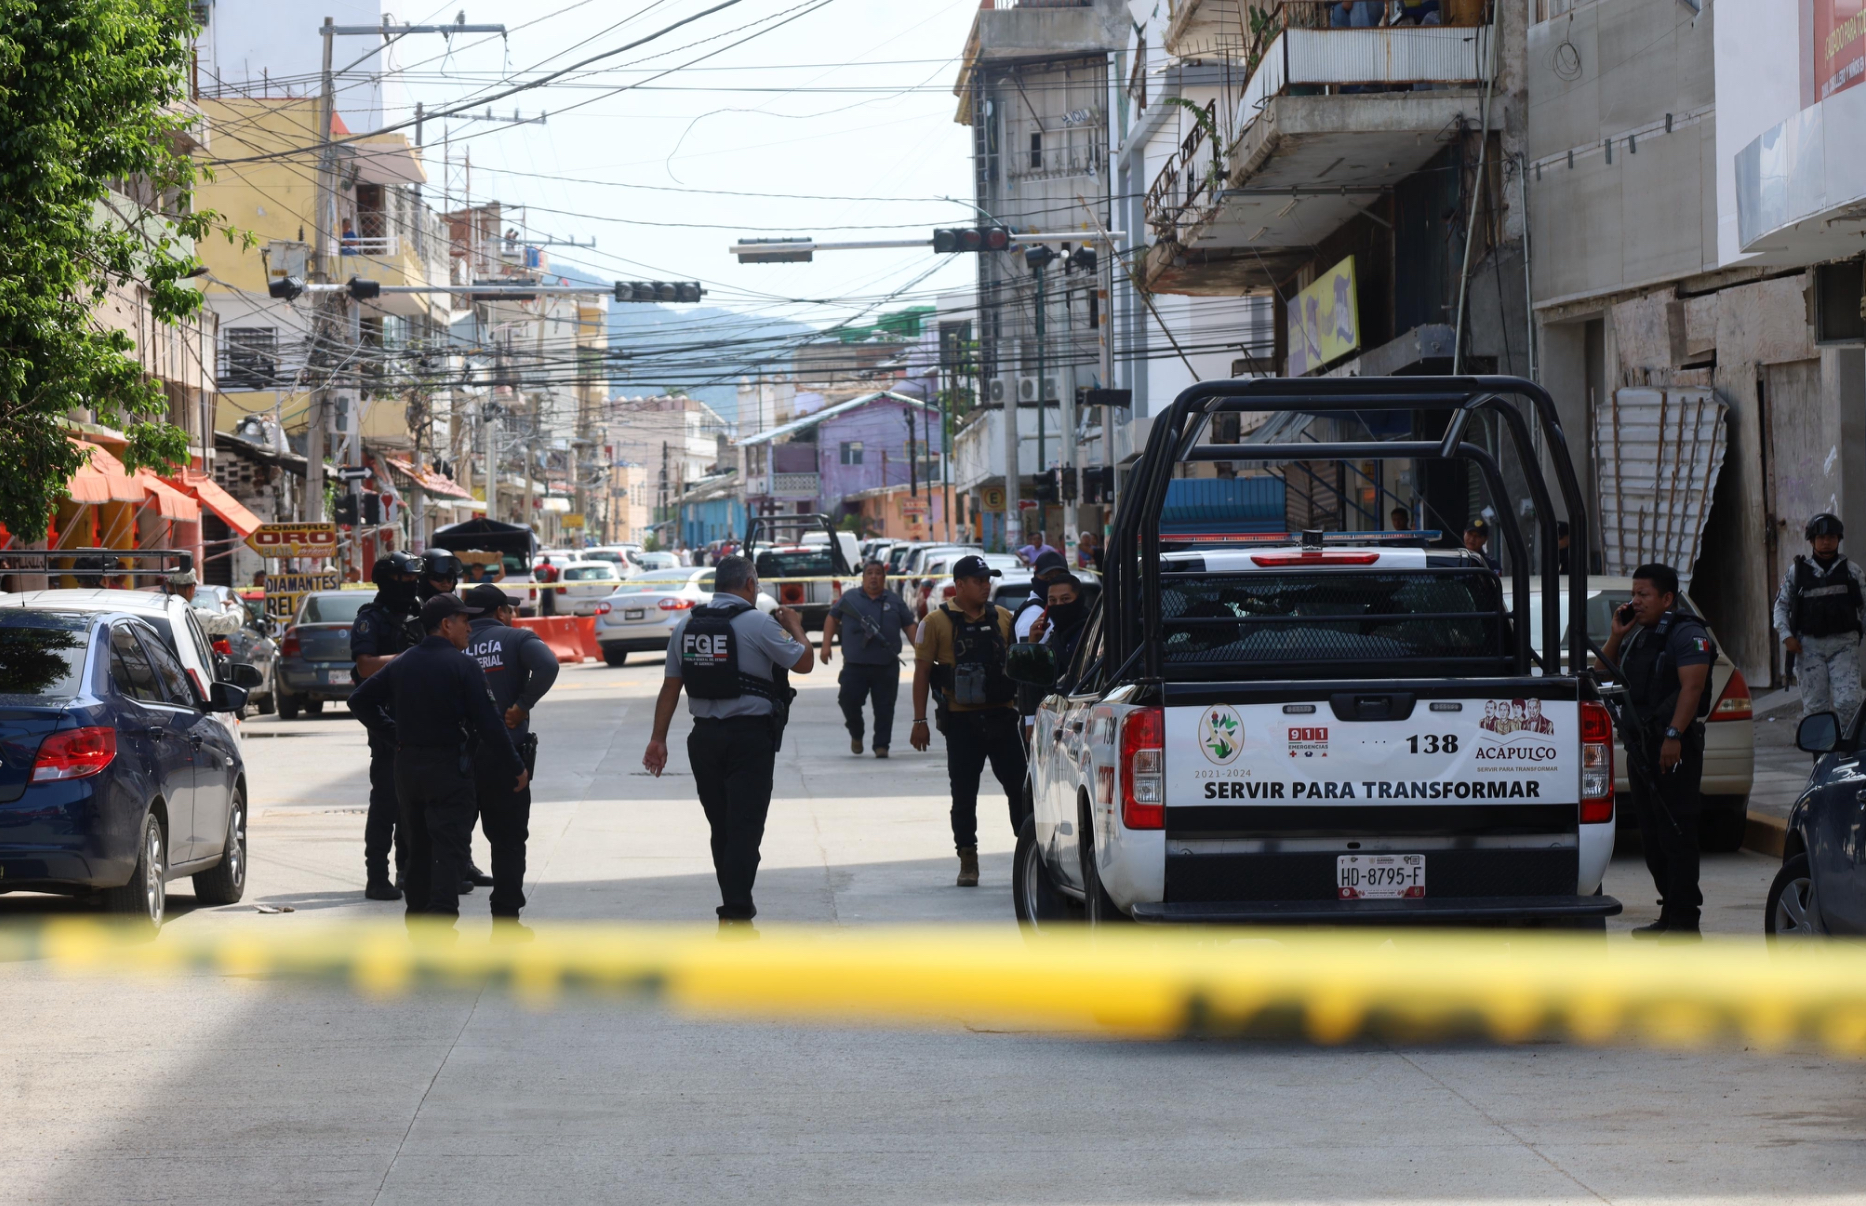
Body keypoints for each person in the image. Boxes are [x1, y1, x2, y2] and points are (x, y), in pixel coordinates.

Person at [642, 555, 814, 926]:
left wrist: (658, 739)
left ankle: (734, 904)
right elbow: (804, 662)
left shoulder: (686, 625)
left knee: (721, 826)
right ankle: (735, 911)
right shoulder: (758, 623)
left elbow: (671, 687)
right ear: (750, 584)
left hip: (702, 739)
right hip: (748, 739)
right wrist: (796, 626)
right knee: (745, 827)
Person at [346, 594, 528, 926]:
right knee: (450, 850)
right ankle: (441, 925)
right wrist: (515, 766)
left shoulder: (403, 661)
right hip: (448, 769)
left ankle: (417, 921)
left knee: (417, 848)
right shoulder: (464, 665)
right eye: (464, 621)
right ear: (446, 625)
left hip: (409, 769)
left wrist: (394, 734)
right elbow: (490, 724)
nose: (469, 628)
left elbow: (359, 700)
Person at [1600, 563, 1713, 938]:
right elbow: (1602, 674)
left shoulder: (1687, 633)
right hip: (1642, 746)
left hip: (1672, 745)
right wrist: (1616, 636)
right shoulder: (1638, 634)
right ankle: (1669, 914)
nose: (1635, 601)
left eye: (1643, 595)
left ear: (1667, 598)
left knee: (1676, 831)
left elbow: (1692, 689)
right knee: (1653, 836)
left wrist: (1672, 736)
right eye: (1633, 594)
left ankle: (1685, 922)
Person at [911, 554, 1025, 888]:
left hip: (1003, 717)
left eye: (988, 580)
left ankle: (1028, 849)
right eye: (978, 580)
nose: (986, 586)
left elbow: (1018, 667)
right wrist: (919, 719)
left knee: (1020, 788)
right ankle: (967, 858)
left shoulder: (1003, 617)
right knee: (964, 795)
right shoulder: (934, 622)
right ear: (959, 585)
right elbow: (921, 674)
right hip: (962, 723)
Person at [462, 583, 561, 920]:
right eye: (509, 609)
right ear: (500, 612)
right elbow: (548, 665)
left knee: (447, 842)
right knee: (508, 841)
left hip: (456, 759)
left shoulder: (453, 642)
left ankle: (438, 921)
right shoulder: (516, 639)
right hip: (505, 760)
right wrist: (522, 705)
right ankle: (505, 918)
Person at [349, 549, 425, 900]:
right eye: (405, 579)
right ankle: (376, 876)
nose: (411, 584)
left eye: (414, 578)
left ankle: (409, 872)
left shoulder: (418, 611)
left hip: (417, 714)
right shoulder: (371, 619)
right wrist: (411, 659)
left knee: (416, 802)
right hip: (385, 718)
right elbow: (365, 666)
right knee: (386, 801)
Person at [1772, 512, 1866, 727]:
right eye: (1821, 537)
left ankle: (1849, 753)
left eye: (1832, 537)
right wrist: (1786, 636)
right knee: (1815, 709)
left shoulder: (1852, 572)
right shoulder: (1797, 573)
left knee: (1849, 703)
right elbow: (1781, 606)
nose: (1826, 542)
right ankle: (1821, 754)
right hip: (1809, 649)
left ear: (1838, 540)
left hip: (1844, 647)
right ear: (1812, 541)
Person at [820, 559, 917, 758]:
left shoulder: (894, 600)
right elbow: (832, 617)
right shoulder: (850, 598)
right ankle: (857, 732)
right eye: (869, 573)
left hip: (886, 664)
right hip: (855, 665)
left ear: (884, 577)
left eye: (878, 573)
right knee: (848, 701)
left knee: (885, 708)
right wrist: (826, 645)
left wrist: (921, 650)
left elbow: (909, 626)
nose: (874, 577)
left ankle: (882, 745)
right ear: (863, 577)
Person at [1027, 573, 1091, 673]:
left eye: (1065, 599)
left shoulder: (1090, 630)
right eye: (1052, 600)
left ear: (1079, 599)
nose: (1058, 604)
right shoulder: (1057, 634)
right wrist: (1032, 644)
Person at [167, 569, 245, 636]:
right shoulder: (193, 616)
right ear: (191, 589)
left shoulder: (158, 609)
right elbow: (233, 623)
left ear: (167, 586)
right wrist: (233, 606)